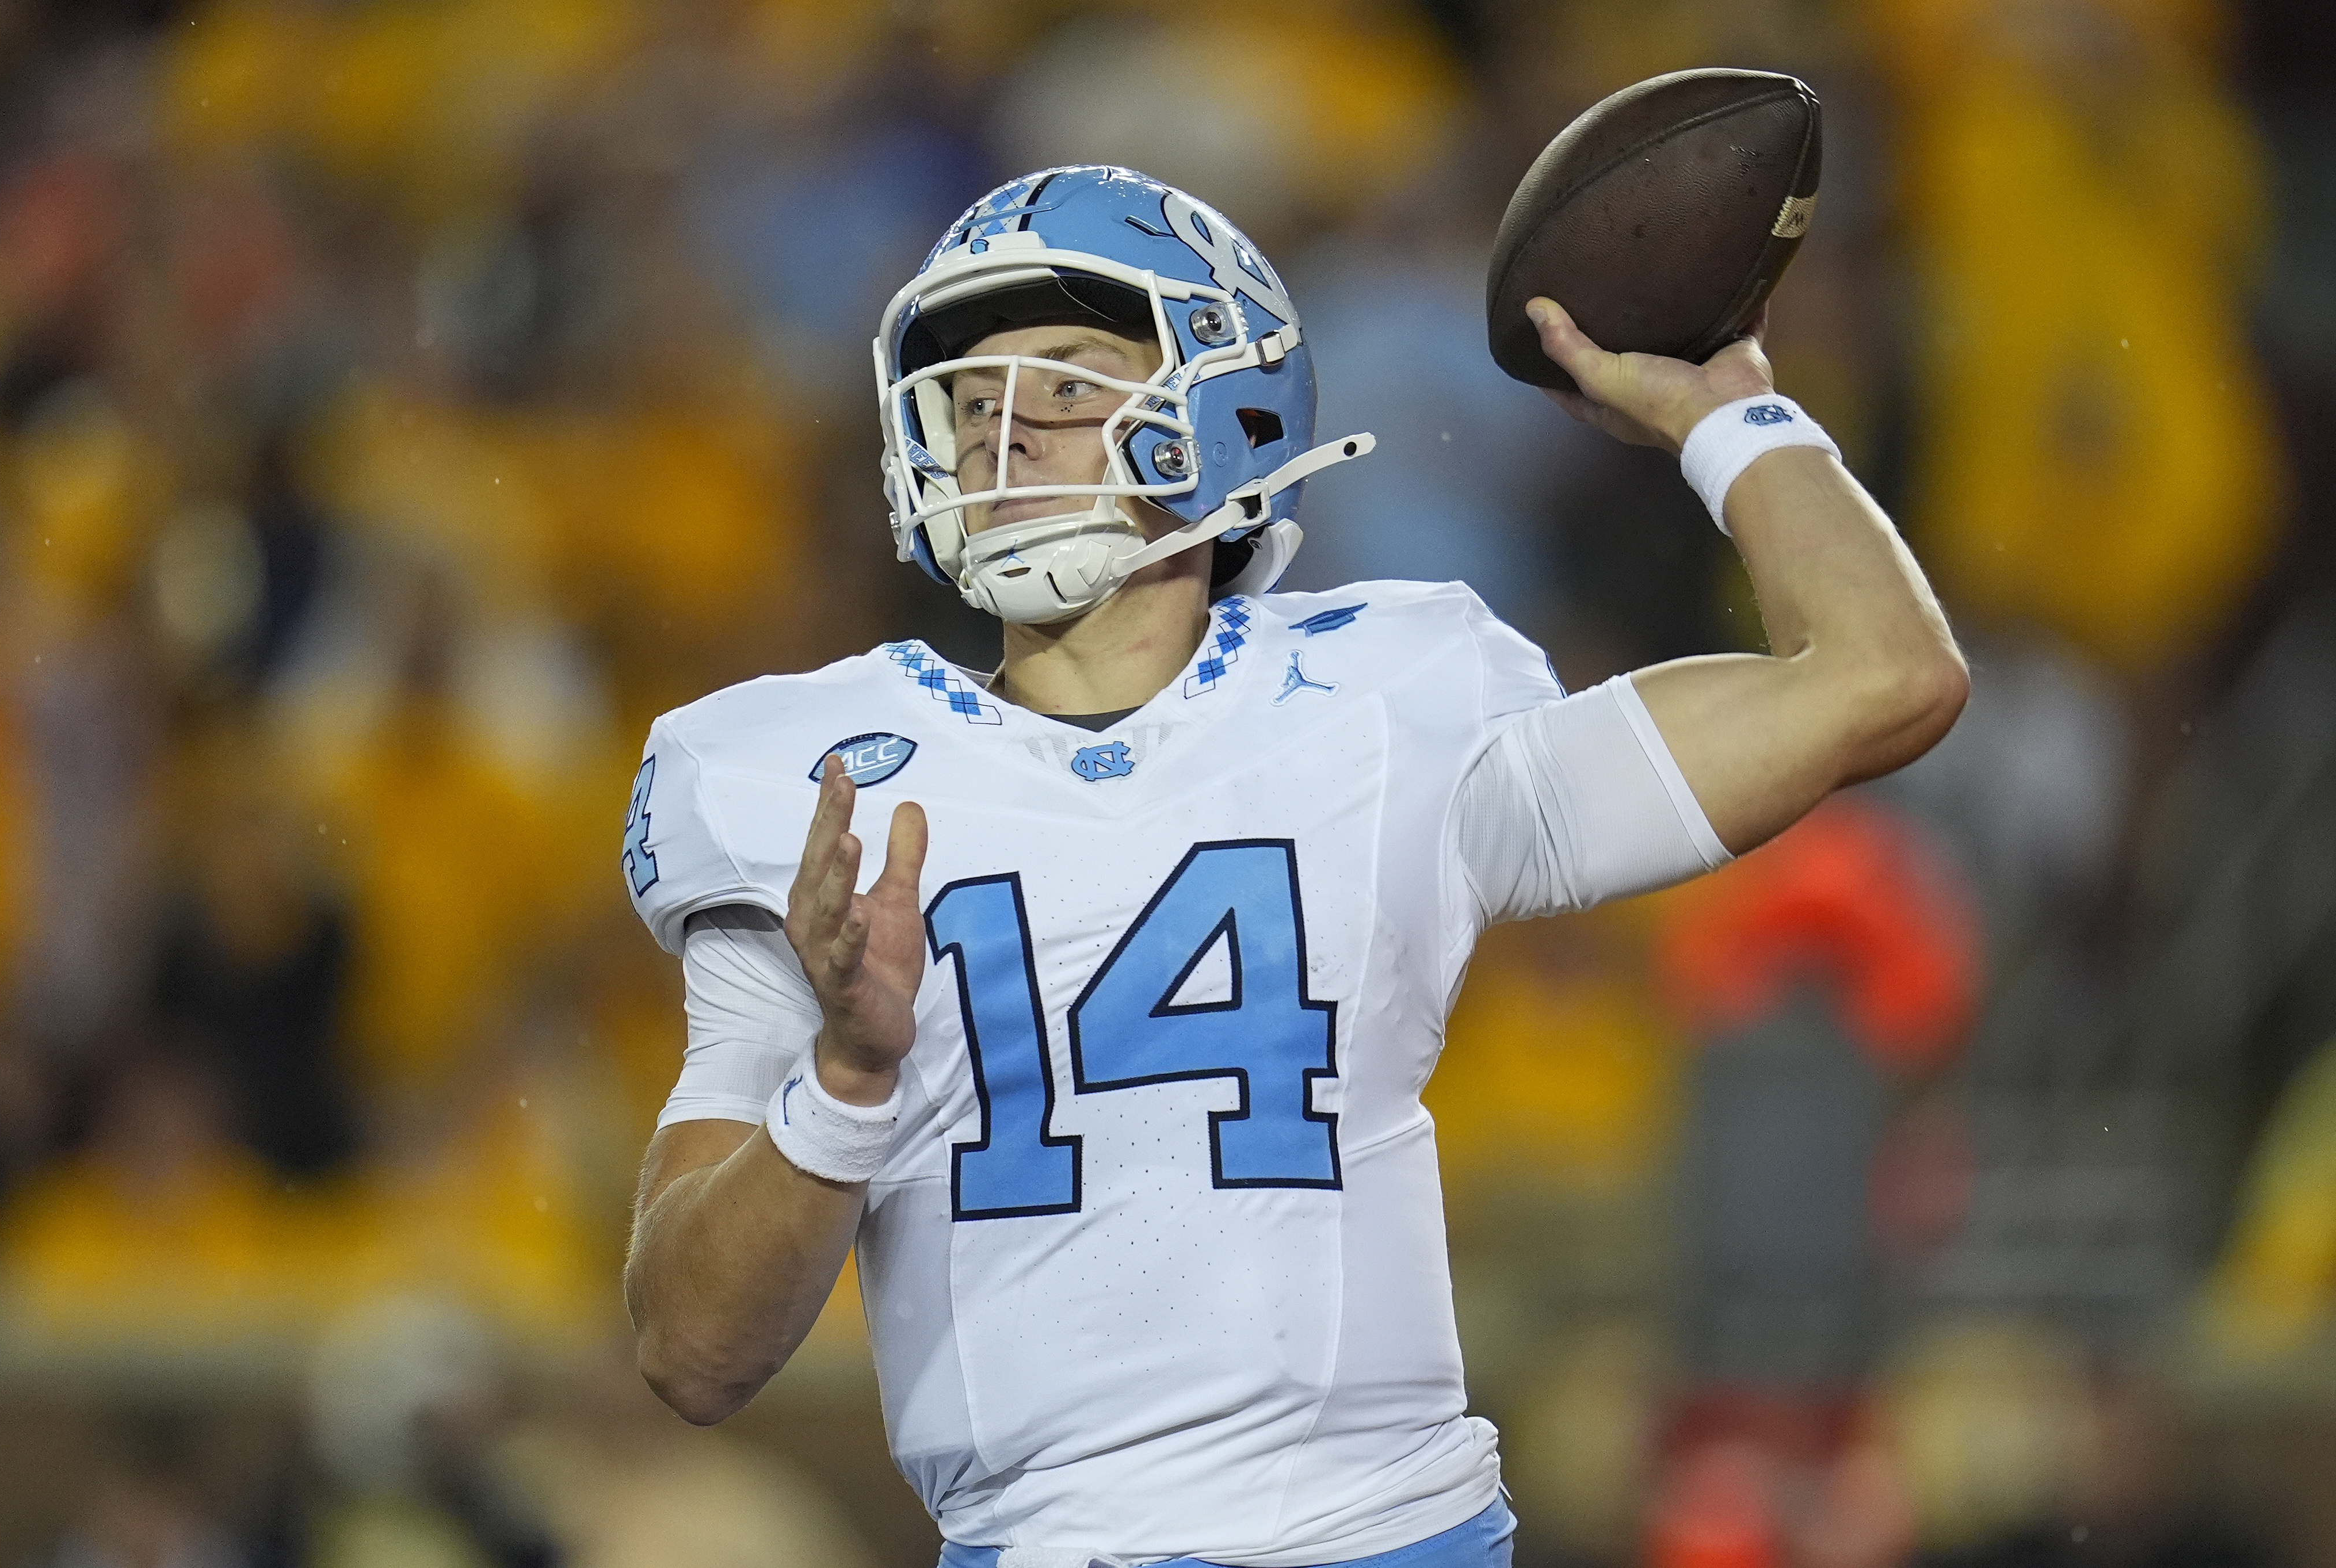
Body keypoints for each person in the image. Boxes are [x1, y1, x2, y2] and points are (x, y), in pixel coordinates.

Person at [617, 166, 1967, 1568]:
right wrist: (844, 1083)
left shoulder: (1390, 697)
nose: (999, 432)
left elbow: (1882, 676)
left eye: (1066, 384)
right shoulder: (807, 784)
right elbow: (691, 1353)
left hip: (1391, 1535)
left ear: (1223, 407)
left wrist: (1726, 412)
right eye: (967, 401)